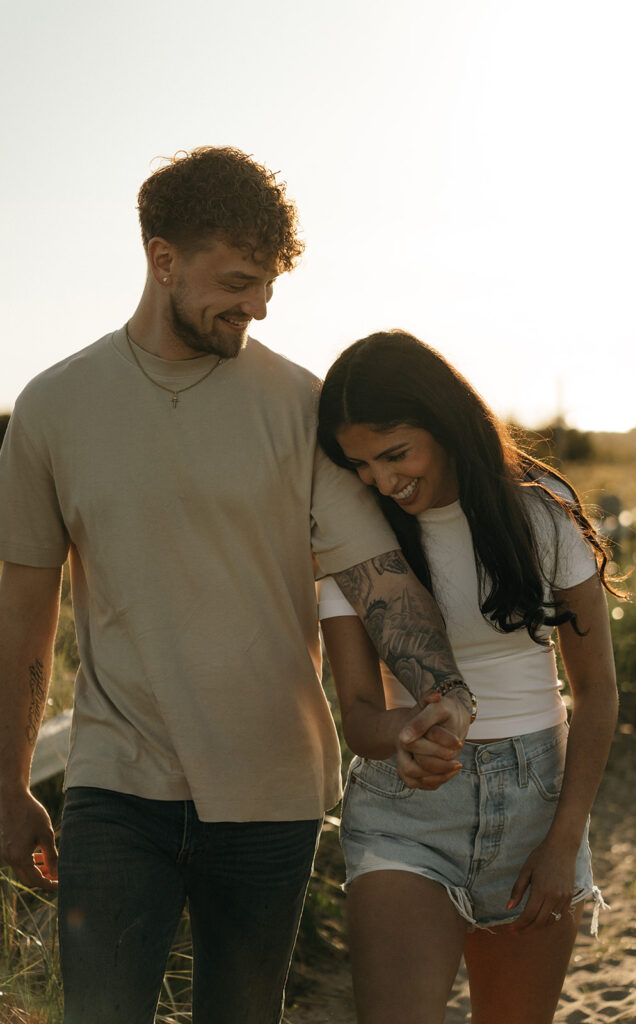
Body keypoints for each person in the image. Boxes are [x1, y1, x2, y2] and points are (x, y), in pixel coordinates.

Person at [0, 151, 471, 1024]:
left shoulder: (300, 406)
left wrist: (440, 695)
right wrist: (5, 780)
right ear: (162, 259)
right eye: (240, 281)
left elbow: (375, 579)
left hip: (271, 788)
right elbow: (26, 610)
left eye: (267, 287)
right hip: (115, 787)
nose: (257, 307)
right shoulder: (52, 407)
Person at [316, 330, 620, 1024]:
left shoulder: (539, 515)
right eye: (359, 465)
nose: (382, 481)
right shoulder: (355, 543)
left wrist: (562, 843)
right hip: (405, 816)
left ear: (445, 423)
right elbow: (359, 714)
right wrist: (406, 732)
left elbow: (597, 693)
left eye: (395, 454)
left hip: (538, 809)